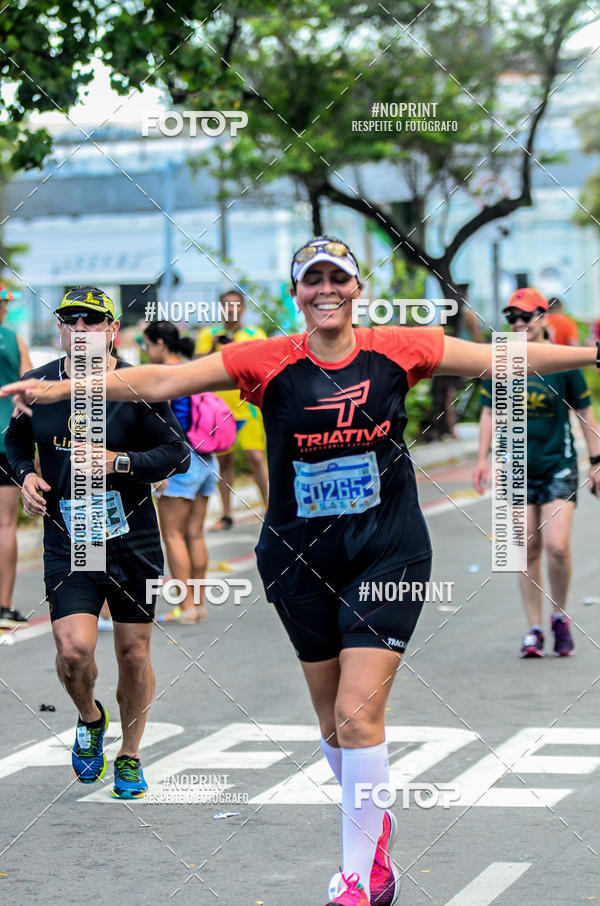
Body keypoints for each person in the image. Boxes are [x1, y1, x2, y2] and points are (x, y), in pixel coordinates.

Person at [4, 245, 600, 905]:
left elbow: (503, 360)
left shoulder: (399, 346)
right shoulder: (266, 357)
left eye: (336, 277)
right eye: (311, 279)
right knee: (331, 721)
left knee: (355, 711)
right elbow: (159, 383)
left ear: (356, 288)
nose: (325, 289)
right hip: (297, 558)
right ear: (297, 292)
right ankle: (373, 822)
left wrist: (591, 355)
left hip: (388, 550)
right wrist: (61, 388)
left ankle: (363, 875)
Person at [4, 287, 190, 799]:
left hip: (133, 538)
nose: (81, 328)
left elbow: (178, 454)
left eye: (93, 321)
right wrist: (24, 476)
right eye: (71, 321)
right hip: (70, 537)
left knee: (133, 652)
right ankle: (89, 718)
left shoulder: (135, 385)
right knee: (73, 649)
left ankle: (129, 755)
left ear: (111, 330)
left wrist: (117, 463)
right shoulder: (38, 385)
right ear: (61, 330)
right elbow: (12, 441)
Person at [473, 287, 600, 658]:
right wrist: (483, 458)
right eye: (511, 317)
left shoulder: (562, 361)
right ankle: (534, 627)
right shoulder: (500, 360)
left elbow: (584, 413)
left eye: (525, 316)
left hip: (557, 465)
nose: (518, 323)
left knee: (557, 547)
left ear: (543, 318)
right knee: (526, 547)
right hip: (515, 469)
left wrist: (596, 460)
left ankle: (559, 615)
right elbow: (488, 412)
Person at [143, 320, 218, 623]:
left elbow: (160, 427)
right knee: (195, 534)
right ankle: (198, 604)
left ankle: (185, 607)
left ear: (160, 344)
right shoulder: (193, 370)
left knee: (172, 535)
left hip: (180, 462)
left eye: (147, 345)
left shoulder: (165, 376)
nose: (146, 352)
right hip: (207, 459)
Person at [195, 289, 269, 529]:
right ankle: (226, 515)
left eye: (236, 305)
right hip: (218, 410)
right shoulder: (209, 334)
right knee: (223, 463)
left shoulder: (254, 334)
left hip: (248, 408)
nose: (231, 310)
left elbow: (263, 366)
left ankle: (271, 511)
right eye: (226, 305)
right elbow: (195, 367)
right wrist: (212, 349)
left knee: (256, 458)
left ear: (243, 309)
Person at [0, 283, 32, 629]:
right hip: (6, 440)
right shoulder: (12, 338)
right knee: (5, 524)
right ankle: (4, 605)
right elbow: (29, 384)